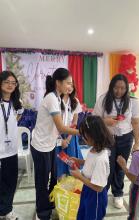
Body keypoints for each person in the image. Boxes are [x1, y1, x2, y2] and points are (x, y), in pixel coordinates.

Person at [31, 68, 79, 220]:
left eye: (71, 83)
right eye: (67, 83)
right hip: (41, 146)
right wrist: (83, 133)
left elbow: (58, 127)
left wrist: (64, 140)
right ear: (58, 83)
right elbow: (61, 127)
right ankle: (42, 212)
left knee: (53, 177)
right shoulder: (51, 98)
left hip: (51, 144)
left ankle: (51, 202)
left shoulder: (58, 98)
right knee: (42, 180)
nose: (70, 86)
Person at [93, 74, 139, 208]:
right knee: (107, 166)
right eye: (116, 88)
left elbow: (135, 122)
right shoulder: (103, 99)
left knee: (120, 166)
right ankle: (102, 193)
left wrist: (137, 142)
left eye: (122, 88)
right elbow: (94, 120)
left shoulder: (133, 101)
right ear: (111, 86)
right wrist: (105, 121)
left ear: (127, 89)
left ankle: (118, 193)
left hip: (125, 138)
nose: (119, 91)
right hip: (107, 138)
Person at [71, 115, 114, 220]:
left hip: (95, 196)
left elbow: (99, 188)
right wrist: (79, 161)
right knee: (82, 214)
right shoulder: (94, 149)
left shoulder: (101, 159)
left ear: (93, 136)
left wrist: (79, 176)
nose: (82, 138)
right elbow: (91, 162)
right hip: (87, 188)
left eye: (84, 136)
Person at [0, 71, 24, 220]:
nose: (10, 85)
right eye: (7, 82)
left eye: (13, 83)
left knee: (10, 182)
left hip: (11, 150)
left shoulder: (16, 102)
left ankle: (6, 210)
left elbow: (19, 114)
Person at [55, 77, 83, 178]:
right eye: (68, 84)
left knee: (71, 163)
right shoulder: (56, 100)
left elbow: (74, 122)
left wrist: (68, 139)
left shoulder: (75, 101)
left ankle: (71, 190)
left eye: (72, 85)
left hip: (71, 136)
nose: (70, 87)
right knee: (60, 163)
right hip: (57, 136)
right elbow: (54, 124)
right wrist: (61, 140)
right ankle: (60, 189)